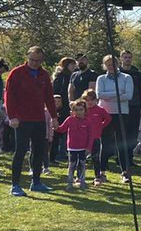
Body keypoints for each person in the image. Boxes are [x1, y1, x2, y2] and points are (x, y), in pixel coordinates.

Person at [4, 46, 59, 196]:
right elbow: (9, 96)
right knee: (20, 150)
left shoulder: (44, 75)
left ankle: (36, 181)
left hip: (39, 118)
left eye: (38, 60)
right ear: (27, 57)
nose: (35, 63)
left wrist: (54, 117)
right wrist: (12, 116)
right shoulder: (17, 73)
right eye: (32, 60)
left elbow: (49, 97)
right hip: (21, 119)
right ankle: (15, 184)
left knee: (39, 150)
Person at [96, 54, 135, 183]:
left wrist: (109, 96)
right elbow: (99, 95)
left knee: (121, 142)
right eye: (108, 65)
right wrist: (118, 93)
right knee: (105, 143)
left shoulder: (126, 77)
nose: (111, 67)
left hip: (121, 112)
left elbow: (128, 95)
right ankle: (101, 172)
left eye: (113, 64)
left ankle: (124, 171)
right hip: (105, 113)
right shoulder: (101, 78)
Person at [56, 98, 98, 189]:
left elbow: (91, 136)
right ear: (73, 111)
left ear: (85, 110)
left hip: (83, 147)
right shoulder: (70, 119)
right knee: (72, 165)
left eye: (81, 110)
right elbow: (62, 129)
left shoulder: (88, 122)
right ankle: (70, 182)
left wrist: (88, 148)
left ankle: (82, 181)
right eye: (76, 110)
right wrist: (55, 127)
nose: (78, 112)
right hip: (72, 147)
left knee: (82, 164)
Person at [51, 57, 77, 162]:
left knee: (66, 130)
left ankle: (63, 151)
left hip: (67, 106)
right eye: (72, 64)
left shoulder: (71, 76)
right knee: (59, 131)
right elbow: (58, 92)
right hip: (61, 107)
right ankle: (57, 154)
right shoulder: (61, 77)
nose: (74, 67)